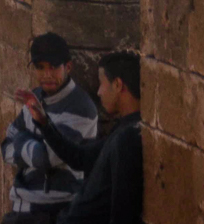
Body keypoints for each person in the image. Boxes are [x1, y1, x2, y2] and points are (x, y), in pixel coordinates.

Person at [22, 51, 143, 224]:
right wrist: (44, 124)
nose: (99, 92)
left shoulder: (128, 138)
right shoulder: (123, 130)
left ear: (117, 85)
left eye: (102, 84)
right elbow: (80, 158)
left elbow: (123, 213)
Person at [1, 33, 99, 222]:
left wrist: (22, 140)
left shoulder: (80, 107)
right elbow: (5, 146)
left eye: (53, 67)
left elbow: (46, 157)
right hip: (21, 209)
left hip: (55, 211)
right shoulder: (35, 97)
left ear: (67, 67)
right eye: (40, 68)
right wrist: (32, 148)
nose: (47, 75)